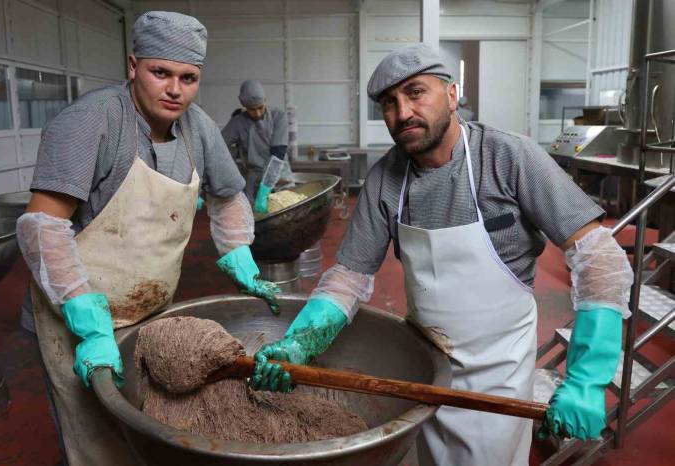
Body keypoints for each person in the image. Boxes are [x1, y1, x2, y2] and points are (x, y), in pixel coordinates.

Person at [249, 44, 633, 466]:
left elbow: (599, 257)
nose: (403, 112)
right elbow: (348, 278)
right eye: (389, 104)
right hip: (428, 364)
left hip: (499, 369)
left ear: (451, 95)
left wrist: (587, 378)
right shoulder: (387, 179)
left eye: (416, 93)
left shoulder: (508, 157)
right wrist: (301, 342)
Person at [15, 11, 279, 466]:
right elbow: (44, 228)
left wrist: (238, 252)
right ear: (133, 65)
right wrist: (88, 321)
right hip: (75, 312)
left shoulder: (200, 128)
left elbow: (230, 196)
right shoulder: (90, 122)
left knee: (150, 424)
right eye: (161, 73)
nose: (175, 89)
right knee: (94, 438)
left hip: (150, 305)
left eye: (188, 77)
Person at [221, 80, 289, 212]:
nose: (257, 113)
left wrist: (265, 190)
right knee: (254, 221)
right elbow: (217, 148)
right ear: (244, 105)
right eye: (252, 110)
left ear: (265, 101)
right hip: (253, 179)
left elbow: (278, 153)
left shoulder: (279, 117)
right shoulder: (238, 122)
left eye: (260, 107)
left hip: (280, 175)